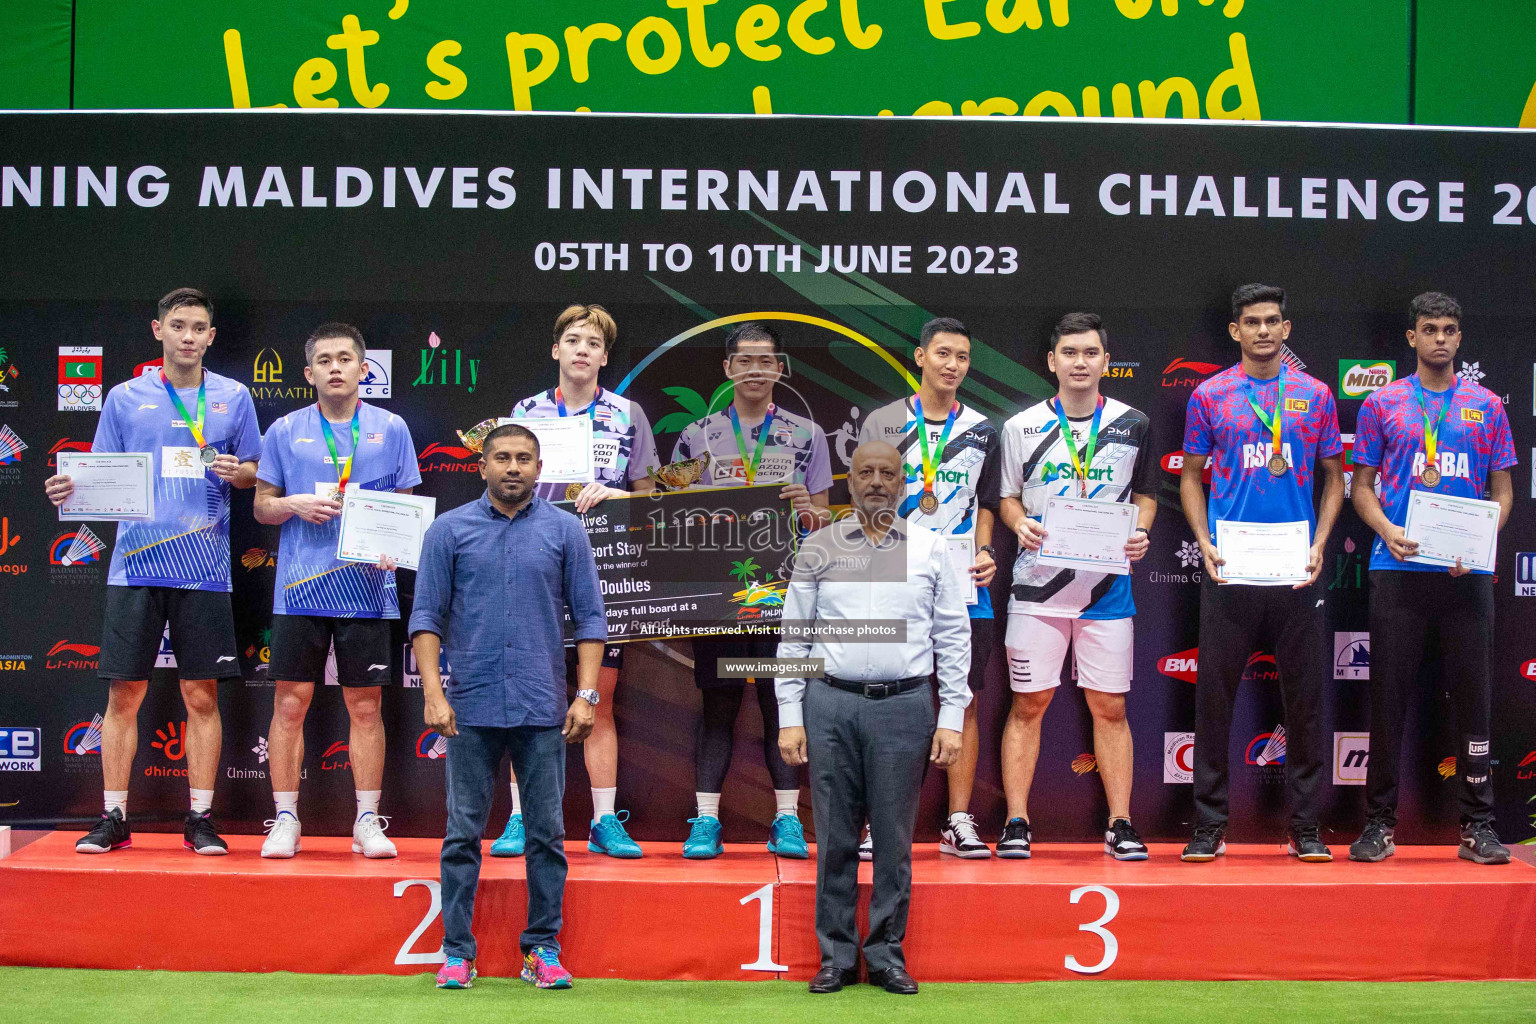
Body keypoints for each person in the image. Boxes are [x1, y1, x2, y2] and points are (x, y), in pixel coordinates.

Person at [46, 287, 261, 856]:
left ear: (211, 337)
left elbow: (256, 475)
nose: (188, 335)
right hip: (135, 565)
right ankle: (114, 814)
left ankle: (200, 818)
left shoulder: (234, 397)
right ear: (158, 330)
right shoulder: (123, 397)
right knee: (124, 693)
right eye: (179, 325)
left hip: (206, 568)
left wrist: (242, 473)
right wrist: (69, 489)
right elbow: (97, 476)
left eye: (199, 328)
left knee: (201, 697)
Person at [409, 423, 605, 991]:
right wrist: (433, 692)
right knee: (461, 835)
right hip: (468, 707)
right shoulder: (449, 530)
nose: (513, 467)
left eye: (523, 458)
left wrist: (586, 694)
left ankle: (541, 948)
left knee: (546, 835)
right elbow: (426, 618)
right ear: (483, 466)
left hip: (543, 707)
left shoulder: (567, 531)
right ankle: (457, 953)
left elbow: (591, 620)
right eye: (502, 458)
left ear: (539, 469)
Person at [776, 441, 970, 995]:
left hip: (906, 707)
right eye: (867, 473)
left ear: (904, 484)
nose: (878, 481)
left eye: (889, 473)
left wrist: (951, 714)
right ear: (850, 482)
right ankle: (836, 956)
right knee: (835, 836)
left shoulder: (932, 548)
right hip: (830, 703)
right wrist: (790, 713)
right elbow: (795, 636)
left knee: (893, 839)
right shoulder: (818, 547)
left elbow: (954, 634)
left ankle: (885, 955)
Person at [1178, 283, 1345, 863]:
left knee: (1305, 703)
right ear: (1235, 331)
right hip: (1232, 566)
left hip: (1297, 568)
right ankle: (1208, 824)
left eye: (1273, 321)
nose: (1264, 331)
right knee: (1214, 702)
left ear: (1287, 328)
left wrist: (1321, 542)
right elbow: (1190, 476)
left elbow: (1335, 476)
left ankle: (1305, 826)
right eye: (1252, 322)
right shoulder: (1210, 395)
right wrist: (1204, 540)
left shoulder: (1316, 395)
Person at [1347, 291, 1515, 865]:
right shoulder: (1383, 404)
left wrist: (1482, 541)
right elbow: (1361, 485)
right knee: (1387, 702)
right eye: (1429, 329)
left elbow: (1503, 490)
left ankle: (1478, 825)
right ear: (1412, 338)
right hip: (1398, 570)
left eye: (1449, 329)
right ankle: (1378, 825)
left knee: (1474, 702)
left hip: (1465, 576)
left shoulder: (1488, 406)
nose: (1440, 338)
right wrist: (1388, 530)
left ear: (1460, 339)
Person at [253, 323, 421, 859]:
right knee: (290, 702)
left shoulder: (392, 428)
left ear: (363, 369)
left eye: (345, 358)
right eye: (323, 359)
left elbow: (408, 508)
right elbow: (261, 506)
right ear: (308, 373)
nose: (334, 367)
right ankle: (285, 819)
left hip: (368, 589)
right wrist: (295, 505)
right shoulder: (283, 429)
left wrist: (400, 542)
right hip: (300, 589)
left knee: (366, 706)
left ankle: (367, 820)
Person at [499, 303, 659, 859]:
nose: (582, 349)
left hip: (605, 568)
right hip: (534, 566)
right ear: (556, 350)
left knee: (601, 698)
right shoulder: (526, 411)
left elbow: (649, 497)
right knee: (528, 700)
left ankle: (603, 819)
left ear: (604, 357)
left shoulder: (626, 414)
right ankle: (521, 818)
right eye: (573, 339)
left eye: (593, 343)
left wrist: (616, 496)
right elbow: (503, 484)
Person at [996, 312, 1158, 860]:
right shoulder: (1020, 427)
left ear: (1106, 362)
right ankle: (1016, 819)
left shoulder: (1133, 421)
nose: (1080, 362)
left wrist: (1140, 532)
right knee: (1028, 703)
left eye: (1091, 353)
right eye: (1070, 353)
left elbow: (1147, 494)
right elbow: (1007, 497)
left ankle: (1121, 822)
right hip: (1037, 588)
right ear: (1052, 362)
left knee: (1110, 706)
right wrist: (1018, 524)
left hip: (1108, 589)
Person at [669, 321, 831, 860]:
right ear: (728, 369)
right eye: (745, 360)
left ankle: (785, 821)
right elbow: (670, 515)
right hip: (720, 597)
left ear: (780, 368)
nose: (756, 370)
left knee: (779, 704)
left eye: (766, 360)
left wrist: (805, 509)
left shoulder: (808, 436)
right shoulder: (697, 436)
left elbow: (824, 519)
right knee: (717, 707)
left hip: (786, 596)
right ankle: (706, 822)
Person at [858, 316, 1000, 859]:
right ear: (920, 357)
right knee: (890, 700)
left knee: (962, 699)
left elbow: (987, 502)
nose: (952, 365)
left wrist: (986, 550)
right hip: (896, 579)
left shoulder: (985, 429)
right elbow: (868, 501)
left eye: (962, 357)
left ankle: (958, 819)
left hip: (965, 585)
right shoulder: (885, 420)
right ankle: (879, 822)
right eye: (943, 354)